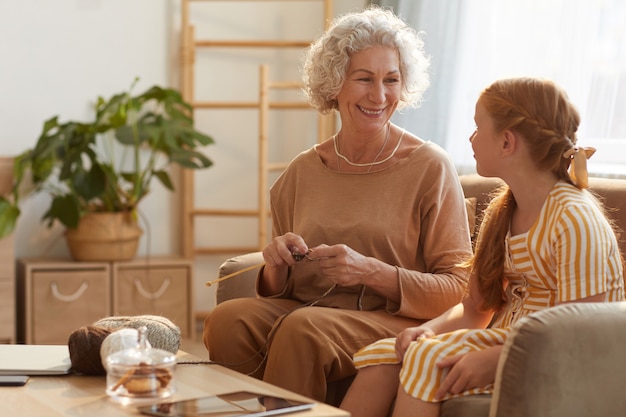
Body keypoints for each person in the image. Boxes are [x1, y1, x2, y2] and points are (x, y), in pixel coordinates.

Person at [203, 6, 473, 403]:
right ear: (334, 85)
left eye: (391, 80)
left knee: (303, 329)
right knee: (228, 321)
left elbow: (459, 287)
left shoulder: (429, 166)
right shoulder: (302, 171)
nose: (379, 96)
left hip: (393, 320)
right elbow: (284, 290)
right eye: (364, 79)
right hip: (313, 312)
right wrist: (275, 265)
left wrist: (371, 272)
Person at [340, 77, 626, 417]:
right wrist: (426, 330)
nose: (471, 138)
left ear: (507, 142)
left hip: (555, 358)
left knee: (427, 360)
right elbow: (477, 308)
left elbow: (579, 334)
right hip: (509, 343)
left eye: (478, 128)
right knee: (384, 356)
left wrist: (495, 360)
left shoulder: (574, 218)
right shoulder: (503, 211)